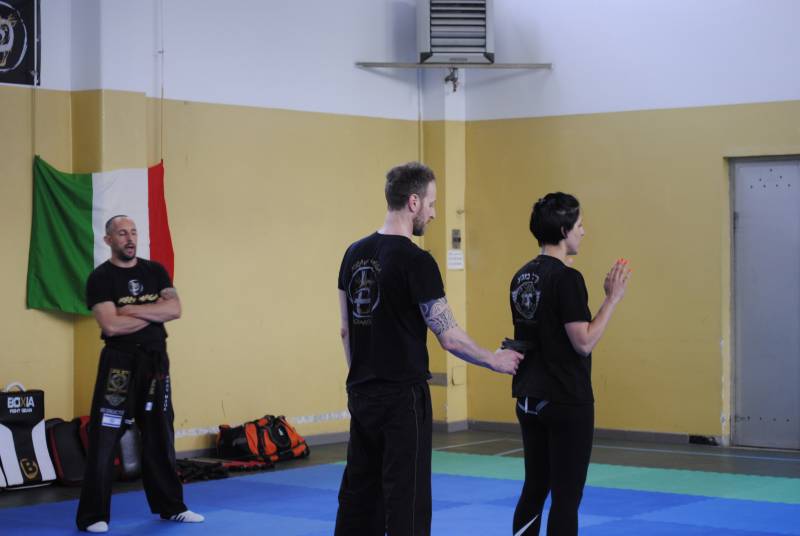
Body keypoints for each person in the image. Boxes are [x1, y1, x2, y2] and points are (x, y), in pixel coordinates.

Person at [335, 162, 524, 536]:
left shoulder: (352, 254)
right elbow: (448, 335)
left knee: (360, 495)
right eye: (432, 204)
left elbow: (345, 330)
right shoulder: (416, 261)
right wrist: (493, 359)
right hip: (402, 399)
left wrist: (361, 381)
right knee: (407, 499)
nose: (435, 213)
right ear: (413, 202)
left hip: (361, 393)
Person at [508, 193, 630, 535]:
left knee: (534, 488)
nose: (583, 231)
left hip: (529, 397)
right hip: (565, 398)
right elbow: (584, 341)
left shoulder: (521, 276)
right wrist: (612, 299)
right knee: (566, 497)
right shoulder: (567, 279)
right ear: (564, 230)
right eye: (579, 225)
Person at [76, 215, 203, 533]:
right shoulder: (100, 278)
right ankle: (93, 516)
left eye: (133, 232)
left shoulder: (155, 271)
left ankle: (171, 507)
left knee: (160, 433)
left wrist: (131, 310)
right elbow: (111, 325)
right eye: (122, 233)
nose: (129, 238)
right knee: (105, 436)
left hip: (155, 363)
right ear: (108, 240)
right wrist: (154, 312)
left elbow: (175, 310)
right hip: (119, 364)